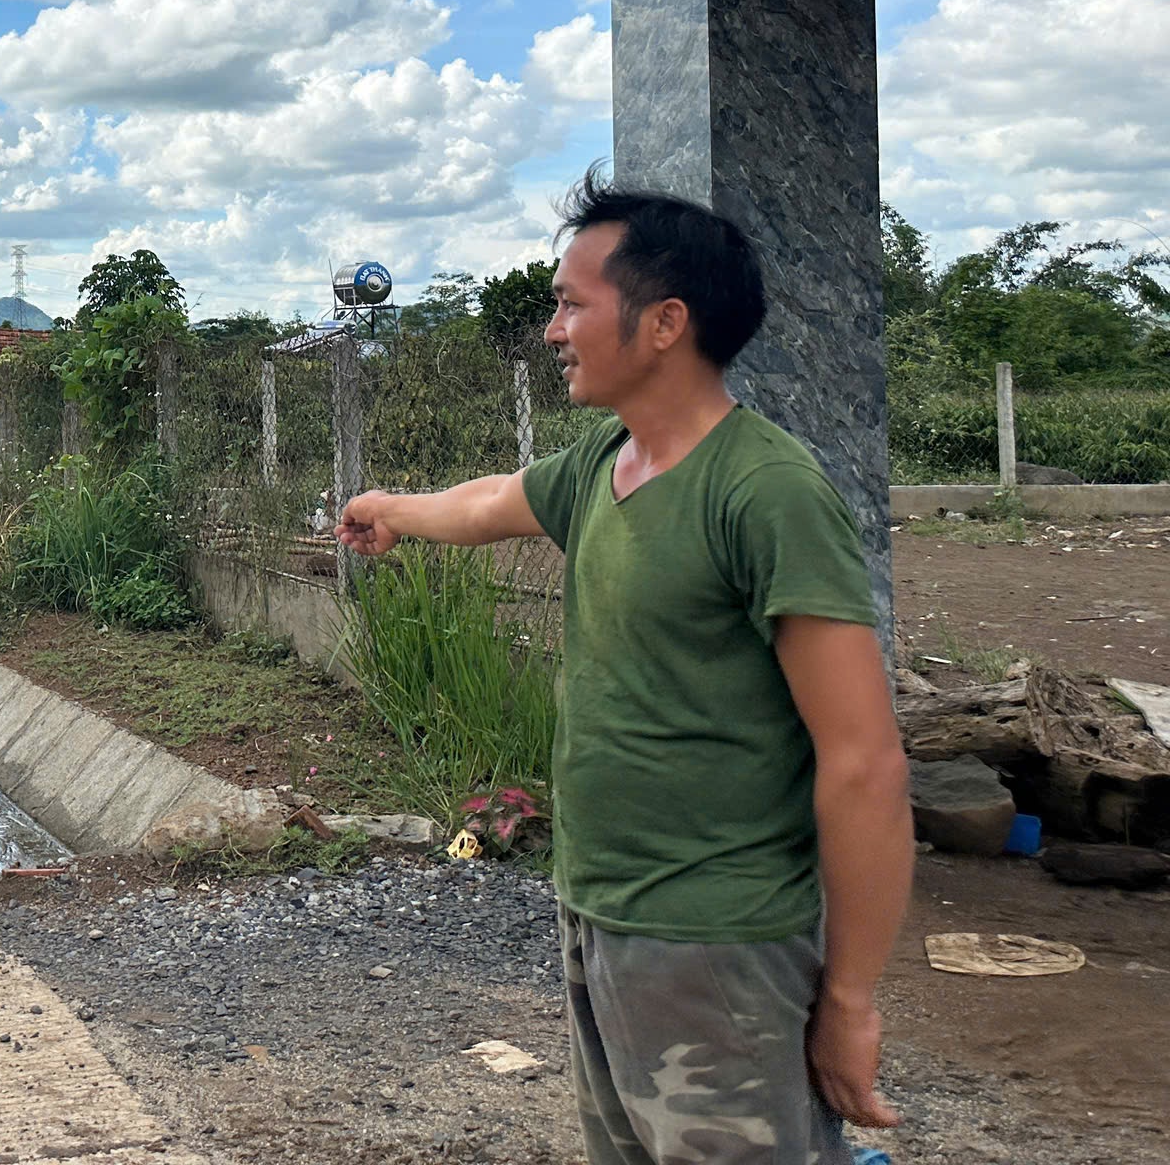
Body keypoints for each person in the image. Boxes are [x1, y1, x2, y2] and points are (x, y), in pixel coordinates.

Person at [335, 176, 910, 1165]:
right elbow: (492, 501)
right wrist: (391, 506)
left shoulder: (765, 493)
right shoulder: (609, 462)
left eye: (571, 304)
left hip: (717, 939)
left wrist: (850, 997)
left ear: (662, 323)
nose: (553, 329)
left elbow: (864, 765)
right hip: (600, 913)